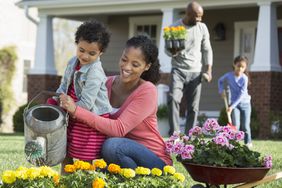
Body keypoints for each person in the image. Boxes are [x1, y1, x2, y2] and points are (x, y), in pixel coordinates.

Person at [59, 35, 172, 169]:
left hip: (154, 160)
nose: (127, 67)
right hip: (121, 159)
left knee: (112, 146)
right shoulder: (105, 82)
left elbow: (118, 129)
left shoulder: (147, 91)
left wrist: (76, 110)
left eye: (135, 64)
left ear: (146, 66)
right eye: (124, 59)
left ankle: (140, 182)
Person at [47, 20, 112, 173]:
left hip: (89, 118)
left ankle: (87, 182)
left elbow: (88, 104)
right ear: (76, 44)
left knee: (86, 158)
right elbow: (64, 86)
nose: (85, 56)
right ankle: (65, 181)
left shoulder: (95, 72)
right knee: (65, 151)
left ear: (100, 53)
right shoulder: (72, 62)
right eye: (81, 50)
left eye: (92, 53)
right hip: (71, 112)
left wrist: (70, 108)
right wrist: (55, 100)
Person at [166, 1, 213, 135]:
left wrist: (208, 70)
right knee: (173, 99)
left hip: (196, 71)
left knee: (193, 107)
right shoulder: (174, 28)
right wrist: (173, 51)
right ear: (188, 14)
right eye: (197, 16)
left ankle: (189, 136)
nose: (199, 19)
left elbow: (207, 49)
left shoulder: (202, 27)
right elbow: (167, 51)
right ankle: (175, 134)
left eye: (201, 16)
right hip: (178, 70)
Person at [218, 55, 252, 147]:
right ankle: (234, 143)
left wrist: (231, 107)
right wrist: (221, 91)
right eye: (238, 66)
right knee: (235, 125)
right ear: (234, 65)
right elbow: (220, 81)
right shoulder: (229, 76)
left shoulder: (244, 78)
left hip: (245, 104)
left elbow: (241, 95)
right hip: (234, 105)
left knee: (245, 126)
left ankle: (248, 143)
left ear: (245, 68)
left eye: (243, 67)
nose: (240, 69)